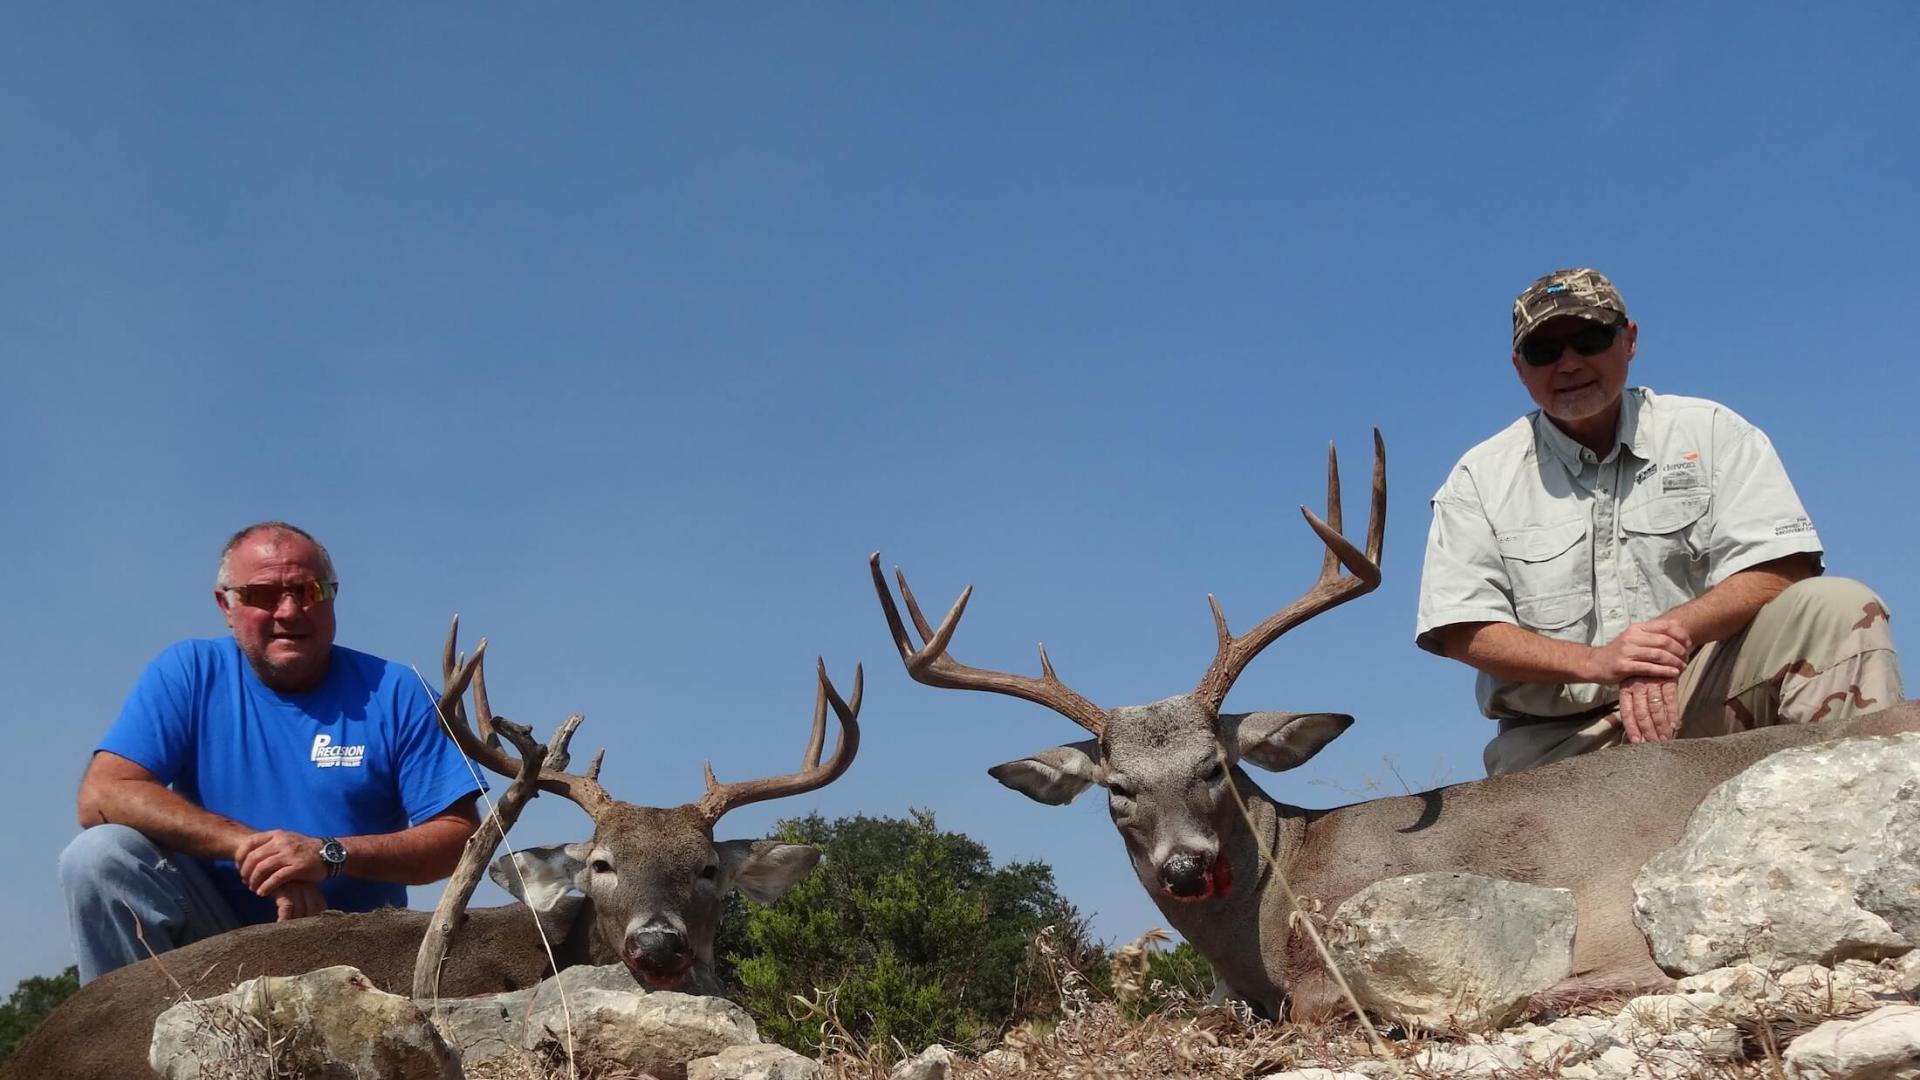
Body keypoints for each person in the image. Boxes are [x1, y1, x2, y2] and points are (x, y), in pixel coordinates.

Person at [1415, 268, 1903, 776]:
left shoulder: (1711, 431)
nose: (1570, 363)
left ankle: (1858, 808)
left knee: (1840, 606)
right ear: (1520, 368)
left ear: (1629, 339)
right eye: (1546, 351)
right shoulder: (1478, 478)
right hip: (1559, 743)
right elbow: (1462, 629)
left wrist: (1662, 644)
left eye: (1590, 339)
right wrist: (1599, 662)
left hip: (1699, 695)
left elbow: (1784, 565)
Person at [59, 521, 483, 983]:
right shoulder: (188, 672)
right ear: (226, 604)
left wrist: (328, 855)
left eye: (310, 590)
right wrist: (259, 853)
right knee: (99, 857)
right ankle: (132, 1047)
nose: (290, 610)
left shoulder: (395, 688)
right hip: (212, 947)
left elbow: (460, 836)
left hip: (358, 954)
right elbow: (103, 792)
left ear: (332, 596)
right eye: (262, 594)